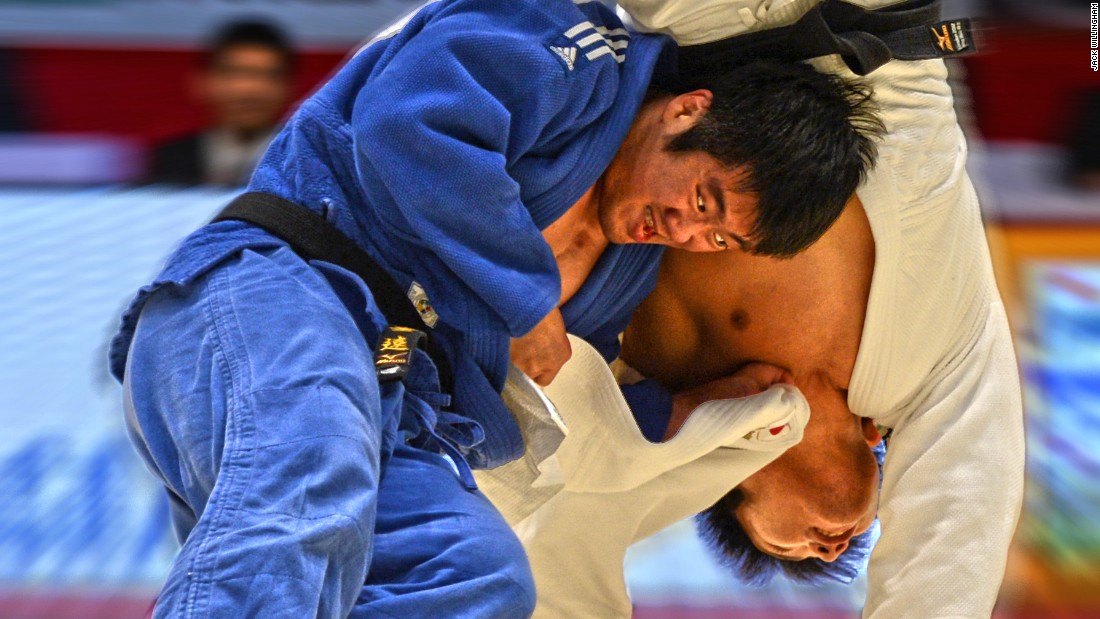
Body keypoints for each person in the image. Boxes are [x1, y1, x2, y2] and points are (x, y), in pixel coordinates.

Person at [107, 0, 881, 616]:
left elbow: (578, 399)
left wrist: (683, 407)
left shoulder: (627, 273)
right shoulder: (567, 48)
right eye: (701, 196)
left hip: (398, 404)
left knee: (473, 576)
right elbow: (408, 124)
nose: (684, 229)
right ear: (687, 110)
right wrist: (526, 298)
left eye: (716, 236)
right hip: (291, 290)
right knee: (309, 486)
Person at [478, 1, 1026, 617]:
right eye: (849, 546)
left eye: (780, 547)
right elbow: (959, 522)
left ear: (718, 478)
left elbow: (552, 535)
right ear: (874, 439)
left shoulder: (632, 402)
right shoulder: (925, 370)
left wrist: (689, 418)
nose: (825, 551)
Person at [146, 20, 294, 186]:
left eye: (269, 75)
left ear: (289, 86)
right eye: (234, 73)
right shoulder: (168, 157)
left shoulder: (307, 157)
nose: (250, 89)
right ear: (201, 82)